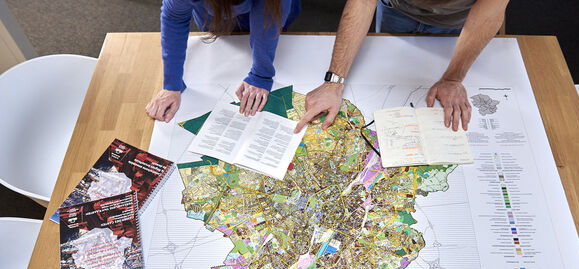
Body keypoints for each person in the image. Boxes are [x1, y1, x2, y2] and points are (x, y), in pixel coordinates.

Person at [294, 0, 509, 133]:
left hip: (459, 20)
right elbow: (363, 2)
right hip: (396, 9)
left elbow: (487, 17)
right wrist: (334, 81)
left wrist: (453, 79)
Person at [146, 0, 301, 122]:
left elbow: (268, 19)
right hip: (215, 19)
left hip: (272, 7)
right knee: (222, 34)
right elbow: (175, 18)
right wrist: (172, 85)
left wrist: (261, 73)